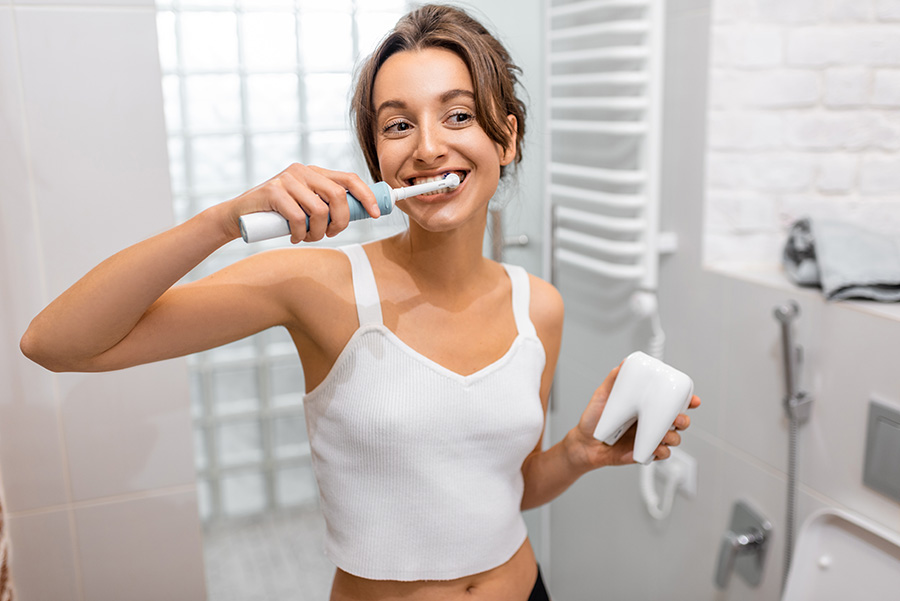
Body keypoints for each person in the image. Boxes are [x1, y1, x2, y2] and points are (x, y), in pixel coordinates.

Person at [20, 5, 699, 600]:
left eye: (458, 115)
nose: (429, 146)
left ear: (507, 137)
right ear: (378, 160)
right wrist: (223, 219)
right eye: (397, 125)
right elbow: (57, 342)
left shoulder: (538, 306)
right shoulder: (319, 286)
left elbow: (506, 488)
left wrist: (577, 452)